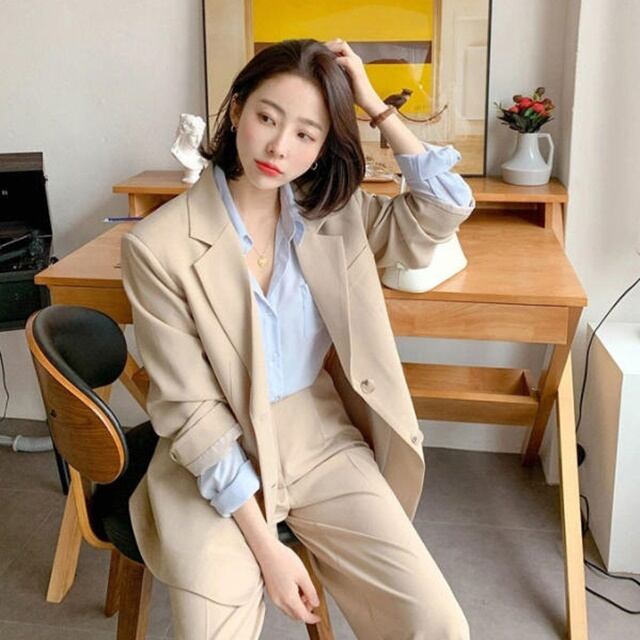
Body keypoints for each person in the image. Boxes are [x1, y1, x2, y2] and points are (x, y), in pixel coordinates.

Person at [121, 38, 475, 640]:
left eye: (307, 134)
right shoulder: (158, 247)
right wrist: (269, 552)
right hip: (215, 454)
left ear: (324, 145)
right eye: (267, 118)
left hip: (319, 436)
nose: (279, 147)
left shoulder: (333, 213)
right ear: (237, 109)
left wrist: (375, 107)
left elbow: (443, 208)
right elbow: (193, 414)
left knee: (437, 625)